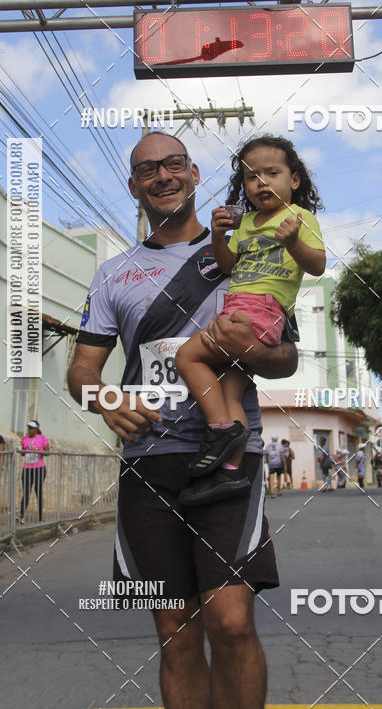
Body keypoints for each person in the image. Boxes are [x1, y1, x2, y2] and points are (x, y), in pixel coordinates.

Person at [67, 131, 298, 709]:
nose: (162, 177)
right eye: (148, 170)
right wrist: (106, 401)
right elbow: (82, 373)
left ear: (195, 174)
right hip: (150, 463)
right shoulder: (112, 275)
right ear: (133, 187)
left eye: (173, 165)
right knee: (176, 633)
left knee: (231, 619)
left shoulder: (249, 252)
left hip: (227, 458)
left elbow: (285, 358)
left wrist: (251, 350)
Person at [175, 135, 325, 506]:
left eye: (272, 173)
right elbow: (227, 267)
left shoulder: (300, 218)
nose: (261, 182)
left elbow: (318, 265)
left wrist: (293, 243)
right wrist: (218, 235)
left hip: (259, 310)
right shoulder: (248, 223)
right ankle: (230, 473)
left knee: (186, 357)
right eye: (252, 177)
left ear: (294, 180)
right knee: (230, 391)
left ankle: (221, 430)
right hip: (239, 305)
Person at [18, 420, 49, 524]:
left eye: (32, 428)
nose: (30, 430)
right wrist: (22, 451)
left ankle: (40, 517)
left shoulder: (42, 438)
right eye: (29, 428)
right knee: (26, 491)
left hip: (39, 467)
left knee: (38, 491)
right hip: (27, 468)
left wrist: (39, 451)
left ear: (36, 429)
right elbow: (22, 453)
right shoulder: (25, 439)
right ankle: (21, 515)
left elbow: (47, 451)